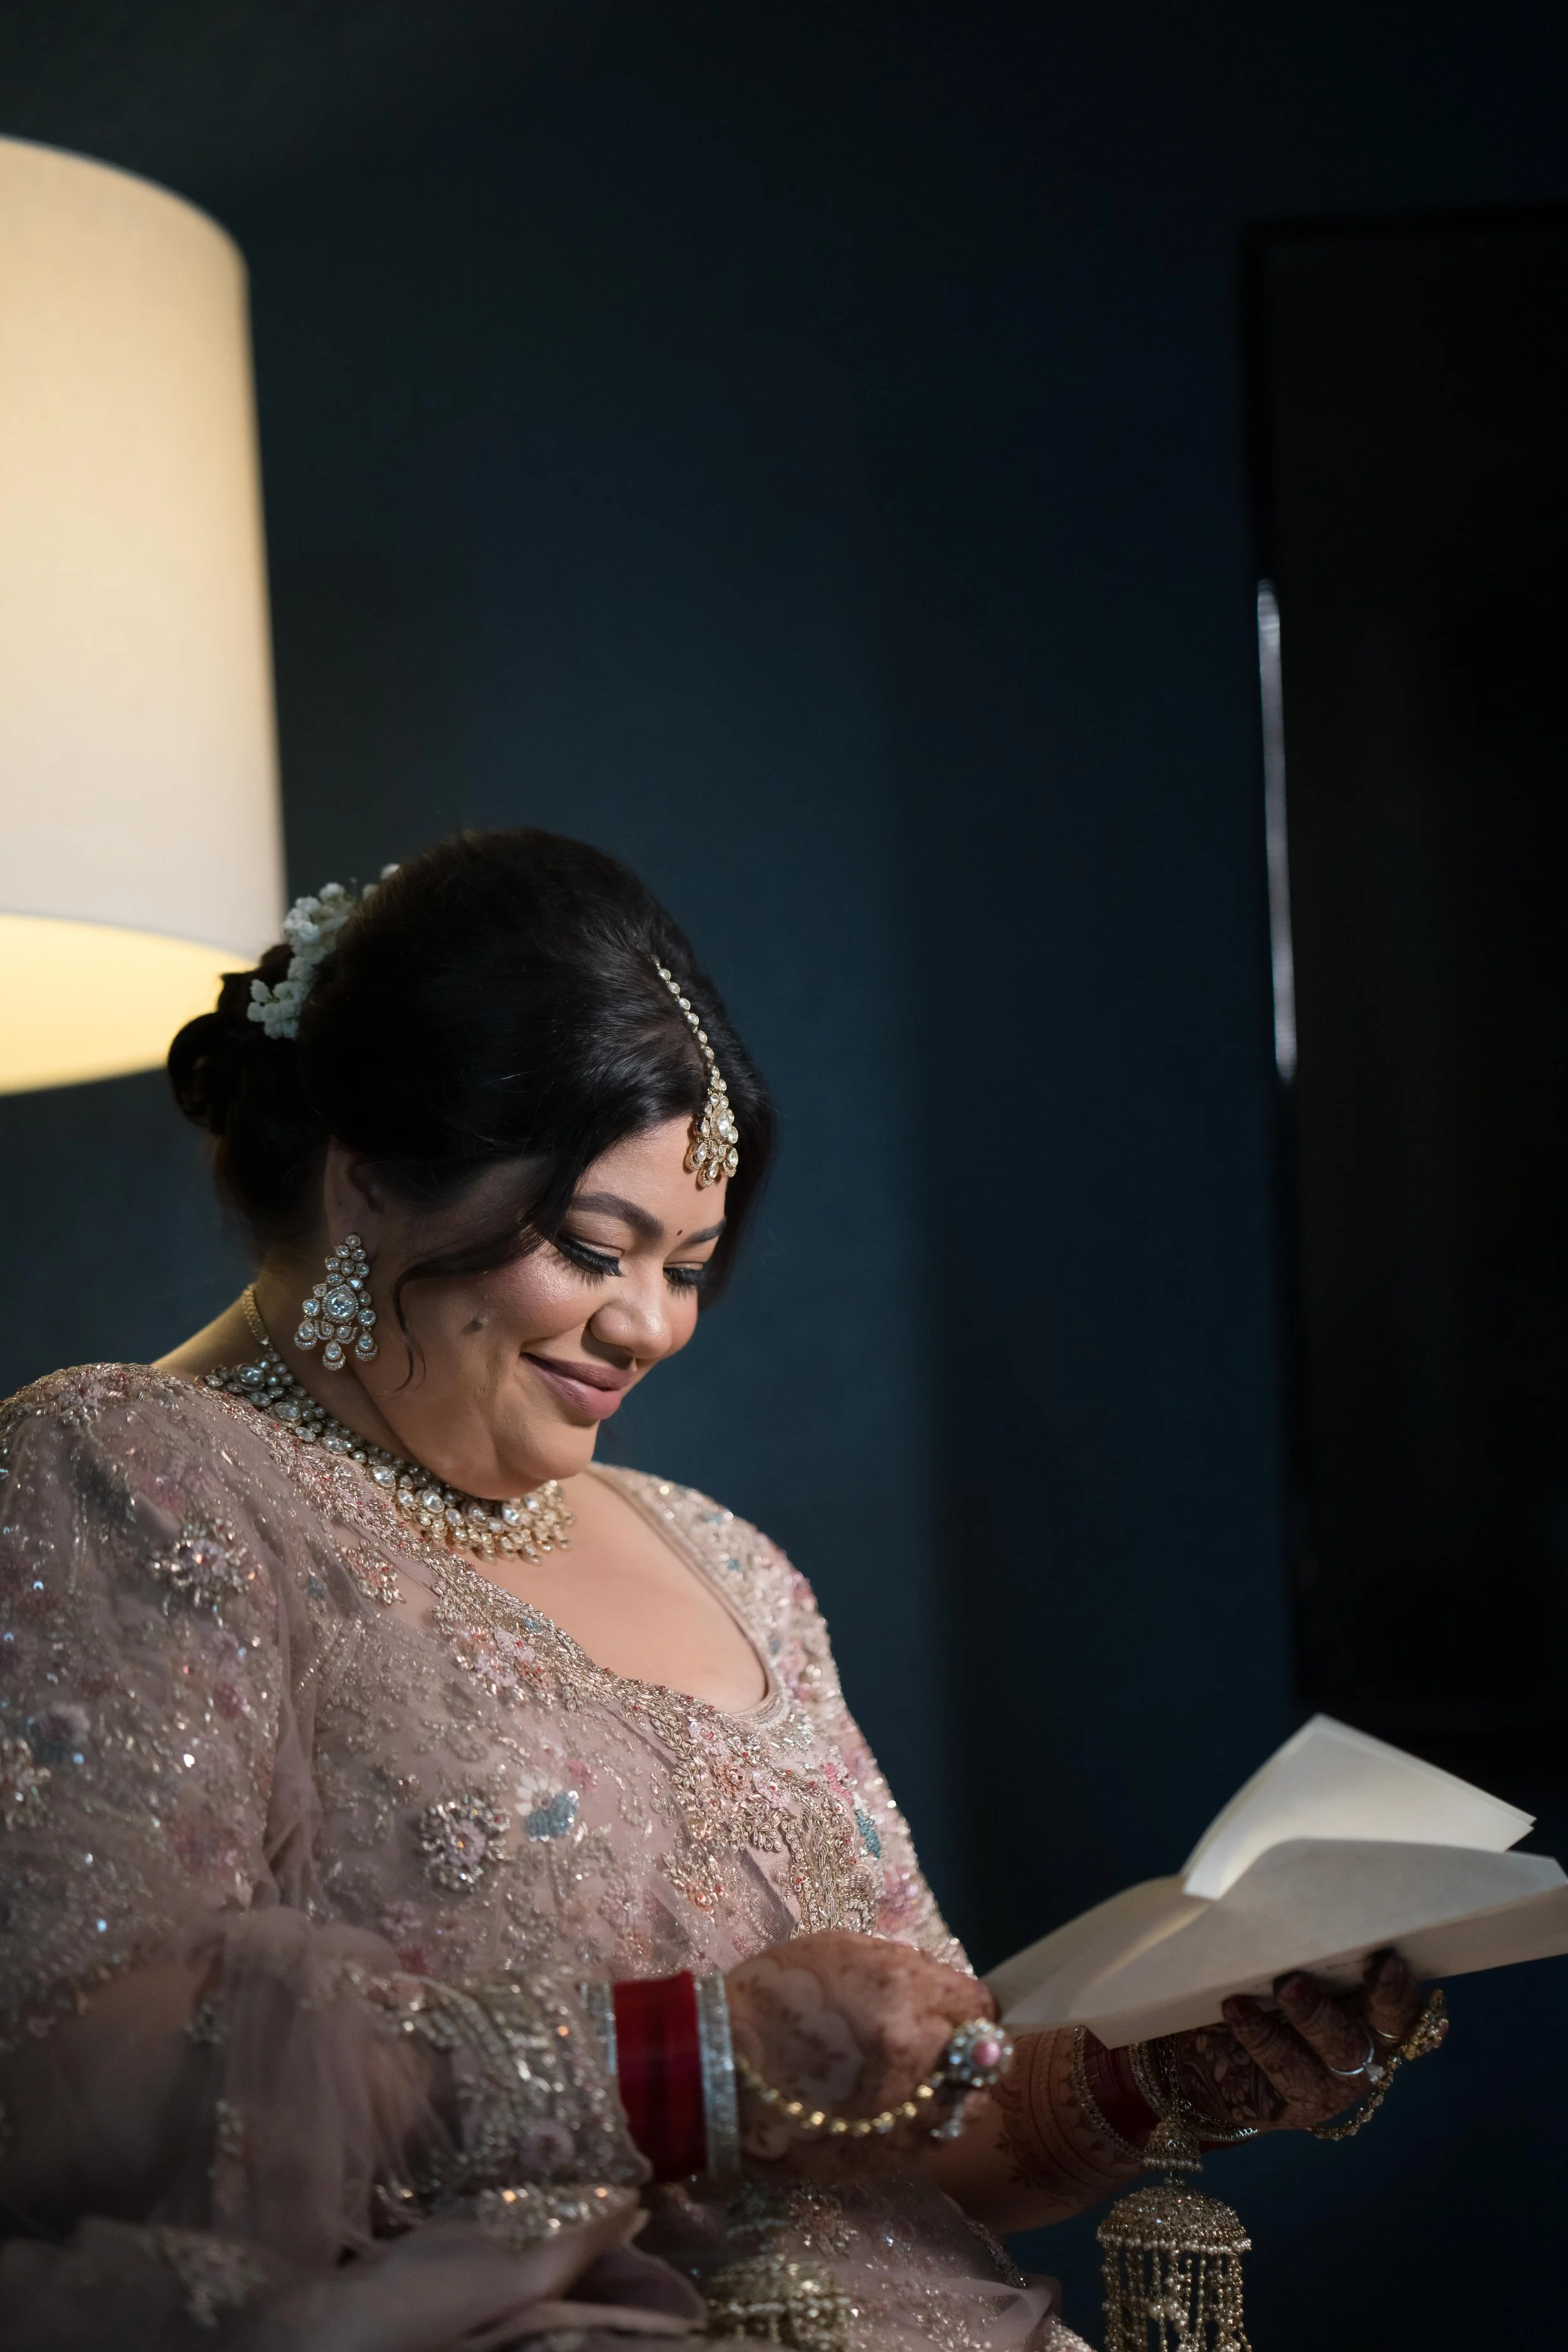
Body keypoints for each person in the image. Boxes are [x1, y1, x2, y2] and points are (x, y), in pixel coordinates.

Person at [0, 830, 1438, 2351]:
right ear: (368, 1187)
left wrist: (1178, 2065)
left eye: (685, 1267)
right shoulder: (130, 1468)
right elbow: (65, 2072)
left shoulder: (726, 1558)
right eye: (591, 1247)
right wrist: (690, 2062)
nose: (647, 1327)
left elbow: (912, 2121)